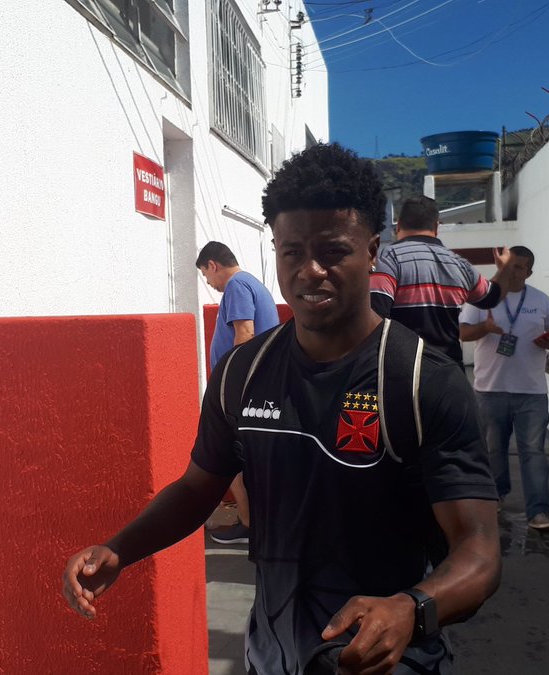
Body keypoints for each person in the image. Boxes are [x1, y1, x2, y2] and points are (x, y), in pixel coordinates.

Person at [63, 143, 500, 675]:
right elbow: (198, 489)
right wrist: (120, 548)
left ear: (372, 252)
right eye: (292, 252)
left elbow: (480, 551)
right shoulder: (241, 374)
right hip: (271, 654)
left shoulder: (421, 380)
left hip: (384, 662)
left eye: (333, 250)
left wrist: (413, 608)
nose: (310, 270)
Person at [459, 246, 549, 531]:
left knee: (533, 452)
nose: (513, 271)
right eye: (509, 265)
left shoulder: (540, 300)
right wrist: (486, 329)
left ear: (529, 272)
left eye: (519, 267)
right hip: (490, 390)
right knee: (493, 450)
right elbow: (462, 332)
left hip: (531, 392)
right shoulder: (482, 298)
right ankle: (495, 496)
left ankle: (539, 513)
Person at [196, 241, 281, 545]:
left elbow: (244, 334)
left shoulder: (236, 286)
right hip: (261, 387)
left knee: (231, 459)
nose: (209, 283)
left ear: (213, 265)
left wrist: (231, 387)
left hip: (246, 390)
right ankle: (259, 525)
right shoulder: (252, 284)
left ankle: (248, 525)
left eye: (206, 275)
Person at [369, 195, 513, 364]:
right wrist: (505, 269)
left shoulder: (388, 259)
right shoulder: (460, 265)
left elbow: (374, 315)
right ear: (436, 227)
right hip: (450, 370)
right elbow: (492, 296)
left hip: (405, 370)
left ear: (398, 225)